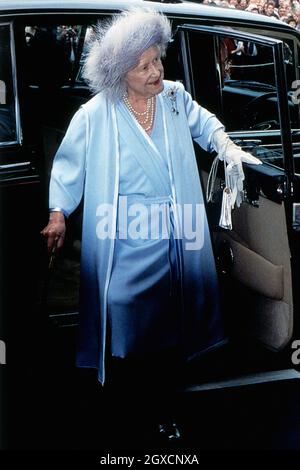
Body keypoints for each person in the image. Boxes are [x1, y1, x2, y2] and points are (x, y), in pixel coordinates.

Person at [41, 8, 261, 444]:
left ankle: (161, 412)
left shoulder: (176, 99)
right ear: (122, 72)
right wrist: (57, 213)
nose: (156, 71)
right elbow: (70, 165)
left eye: (157, 60)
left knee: (166, 328)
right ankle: (124, 408)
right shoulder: (96, 113)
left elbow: (207, 127)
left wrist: (228, 148)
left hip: (174, 236)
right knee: (122, 314)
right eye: (144, 67)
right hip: (122, 238)